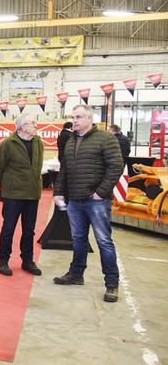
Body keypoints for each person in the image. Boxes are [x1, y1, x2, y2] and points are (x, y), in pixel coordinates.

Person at [53, 105, 124, 303]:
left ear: (90, 119)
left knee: (104, 242)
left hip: (96, 201)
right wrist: (58, 192)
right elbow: (64, 170)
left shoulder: (105, 138)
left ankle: (112, 284)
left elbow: (116, 166)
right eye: (73, 117)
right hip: (75, 200)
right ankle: (76, 274)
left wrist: (101, 192)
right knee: (78, 239)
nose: (74, 120)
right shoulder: (70, 140)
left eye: (78, 117)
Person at [0, 114, 44, 277]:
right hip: (13, 195)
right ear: (22, 127)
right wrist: (7, 187)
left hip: (32, 194)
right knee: (8, 228)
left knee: (29, 230)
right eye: (32, 123)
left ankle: (27, 260)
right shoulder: (8, 144)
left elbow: (38, 165)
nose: (35, 125)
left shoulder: (38, 143)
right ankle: (2, 260)